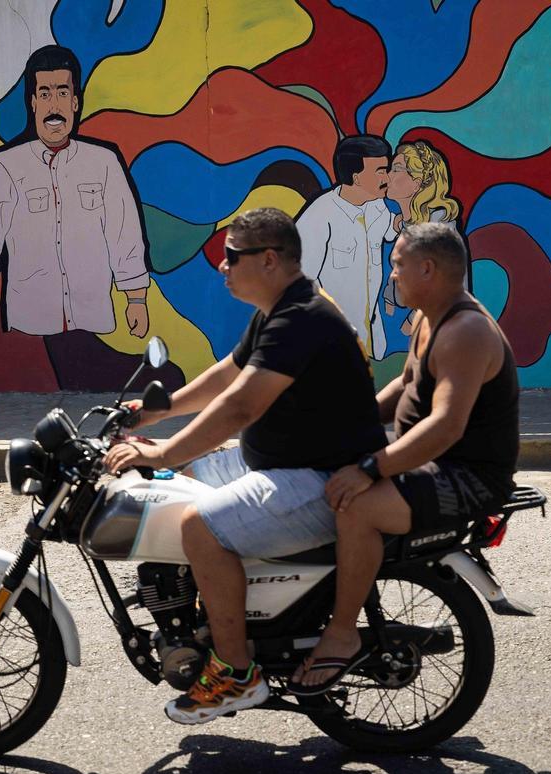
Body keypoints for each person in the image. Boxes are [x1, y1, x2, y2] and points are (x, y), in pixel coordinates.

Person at [102, 208, 388, 724]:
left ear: (270, 259)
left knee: (199, 527)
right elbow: (228, 376)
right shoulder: (280, 310)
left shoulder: (301, 318)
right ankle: (211, 614)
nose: (221, 266)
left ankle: (236, 670)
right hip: (284, 465)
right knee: (175, 487)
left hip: (321, 481)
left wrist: (163, 450)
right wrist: (155, 411)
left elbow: (239, 407)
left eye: (232, 256)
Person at [289, 222, 519, 693]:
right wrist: (344, 427)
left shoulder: (467, 331)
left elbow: (446, 425)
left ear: (427, 268)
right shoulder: (429, 318)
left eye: (398, 266)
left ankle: (341, 634)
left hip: (464, 475)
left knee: (356, 506)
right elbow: (405, 388)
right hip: (430, 465)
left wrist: (371, 467)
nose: (392, 276)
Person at [0, 45, 153, 390]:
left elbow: (124, 232)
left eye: (62, 92)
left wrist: (135, 298)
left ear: (76, 101)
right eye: (44, 93)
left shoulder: (104, 161)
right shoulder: (5, 165)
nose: (54, 105)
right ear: (32, 102)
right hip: (29, 321)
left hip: (92, 318)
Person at [295, 135, 394, 359]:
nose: (386, 177)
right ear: (357, 177)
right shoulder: (319, 216)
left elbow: (391, 231)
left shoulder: (377, 207)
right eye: (380, 170)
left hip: (369, 339)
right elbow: (300, 281)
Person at [382, 140, 461, 335]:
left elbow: (445, 286)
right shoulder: (400, 224)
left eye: (396, 169)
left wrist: (412, 322)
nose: (387, 175)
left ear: (416, 182)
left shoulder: (438, 228)